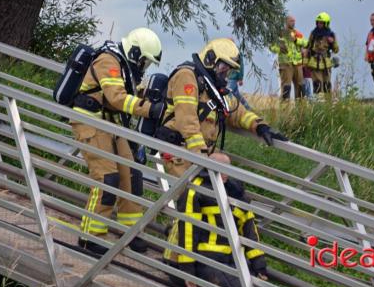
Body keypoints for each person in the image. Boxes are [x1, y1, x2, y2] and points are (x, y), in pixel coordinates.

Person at [71, 28, 165, 254]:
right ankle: (89, 237)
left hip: (110, 123)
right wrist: (150, 109)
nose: (144, 67)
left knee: (131, 174)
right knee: (108, 178)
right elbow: (117, 97)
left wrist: (147, 99)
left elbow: (119, 98)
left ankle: (129, 232)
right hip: (90, 122)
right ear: (134, 52)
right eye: (144, 61)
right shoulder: (108, 60)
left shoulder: (122, 65)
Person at [155, 38, 288, 178]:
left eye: (229, 70)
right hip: (179, 155)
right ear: (210, 59)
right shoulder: (187, 76)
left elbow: (239, 113)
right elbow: (187, 123)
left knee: (234, 190)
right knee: (198, 196)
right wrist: (202, 159)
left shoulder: (215, 89)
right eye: (223, 67)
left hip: (200, 157)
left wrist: (260, 126)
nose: (226, 74)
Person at [163, 153, 268, 287]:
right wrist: (187, 271)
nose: (225, 173)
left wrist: (259, 265)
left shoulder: (237, 193)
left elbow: (249, 231)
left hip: (226, 262)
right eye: (220, 168)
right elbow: (188, 232)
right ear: (209, 168)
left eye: (227, 168)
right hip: (196, 262)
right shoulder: (195, 190)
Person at [269, 15, 307, 100]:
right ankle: (284, 111)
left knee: (301, 87)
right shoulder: (280, 34)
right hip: (285, 64)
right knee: (286, 88)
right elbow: (271, 47)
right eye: (291, 21)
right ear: (286, 22)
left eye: (294, 21)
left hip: (297, 64)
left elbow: (306, 43)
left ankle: (301, 111)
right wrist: (279, 49)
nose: (293, 23)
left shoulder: (298, 34)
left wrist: (296, 40)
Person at [306, 12, 339, 95]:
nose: (319, 24)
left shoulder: (331, 35)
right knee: (317, 84)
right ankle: (319, 105)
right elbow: (308, 47)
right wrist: (305, 62)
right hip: (315, 62)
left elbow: (336, 50)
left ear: (326, 23)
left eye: (321, 23)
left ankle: (328, 105)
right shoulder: (313, 34)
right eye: (318, 22)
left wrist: (332, 41)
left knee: (327, 84)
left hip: (326, 63)